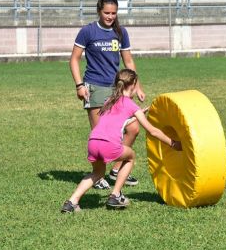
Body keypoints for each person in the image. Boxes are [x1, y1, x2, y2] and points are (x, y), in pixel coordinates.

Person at [61, 69, 181, 213]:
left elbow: (116, 119)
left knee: (97, 173)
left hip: (93, 142)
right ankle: (115, 195)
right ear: (133, 85)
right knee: (130, 157)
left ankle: (72, 202)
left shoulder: (108, 100)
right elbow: (152, 130)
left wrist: (136, 115)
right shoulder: (130, 104)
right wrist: (173, 143)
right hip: (108, 145)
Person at [70, 0, 145, 190]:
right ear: (98, 11)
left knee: (133, 128)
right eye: (106, 13)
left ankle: (116, 169)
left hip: (117, 89)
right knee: (100, 134)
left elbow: (128, 61)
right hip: (94, 87)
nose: (110, 16)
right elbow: (74, 60)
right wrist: (79, 85)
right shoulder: (88, 32)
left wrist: (137, 85)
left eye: (113, 13)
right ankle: (98, 175)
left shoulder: (121, 32)